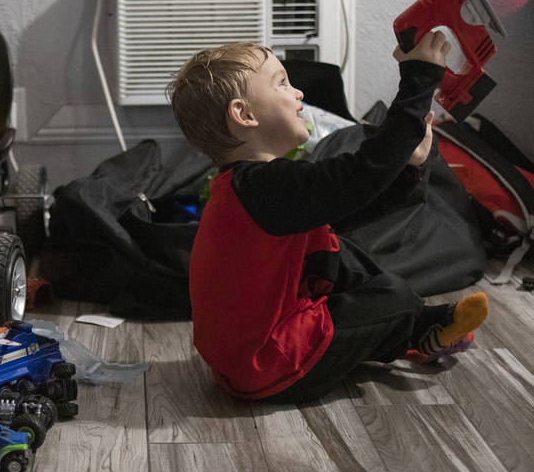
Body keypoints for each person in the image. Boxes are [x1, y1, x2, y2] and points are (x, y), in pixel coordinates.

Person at [167, 32, 488, 402]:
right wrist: (419, 78)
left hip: (251, 356)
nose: (298, 93)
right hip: (267, 366)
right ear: (244, 115)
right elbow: (362, 172)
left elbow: (358, 206)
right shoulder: (262, 188)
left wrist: (409, 165)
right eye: (282, 83)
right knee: (392, 296)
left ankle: (418, 328)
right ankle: (414, 332)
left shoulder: (254, 188)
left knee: (337, 248)